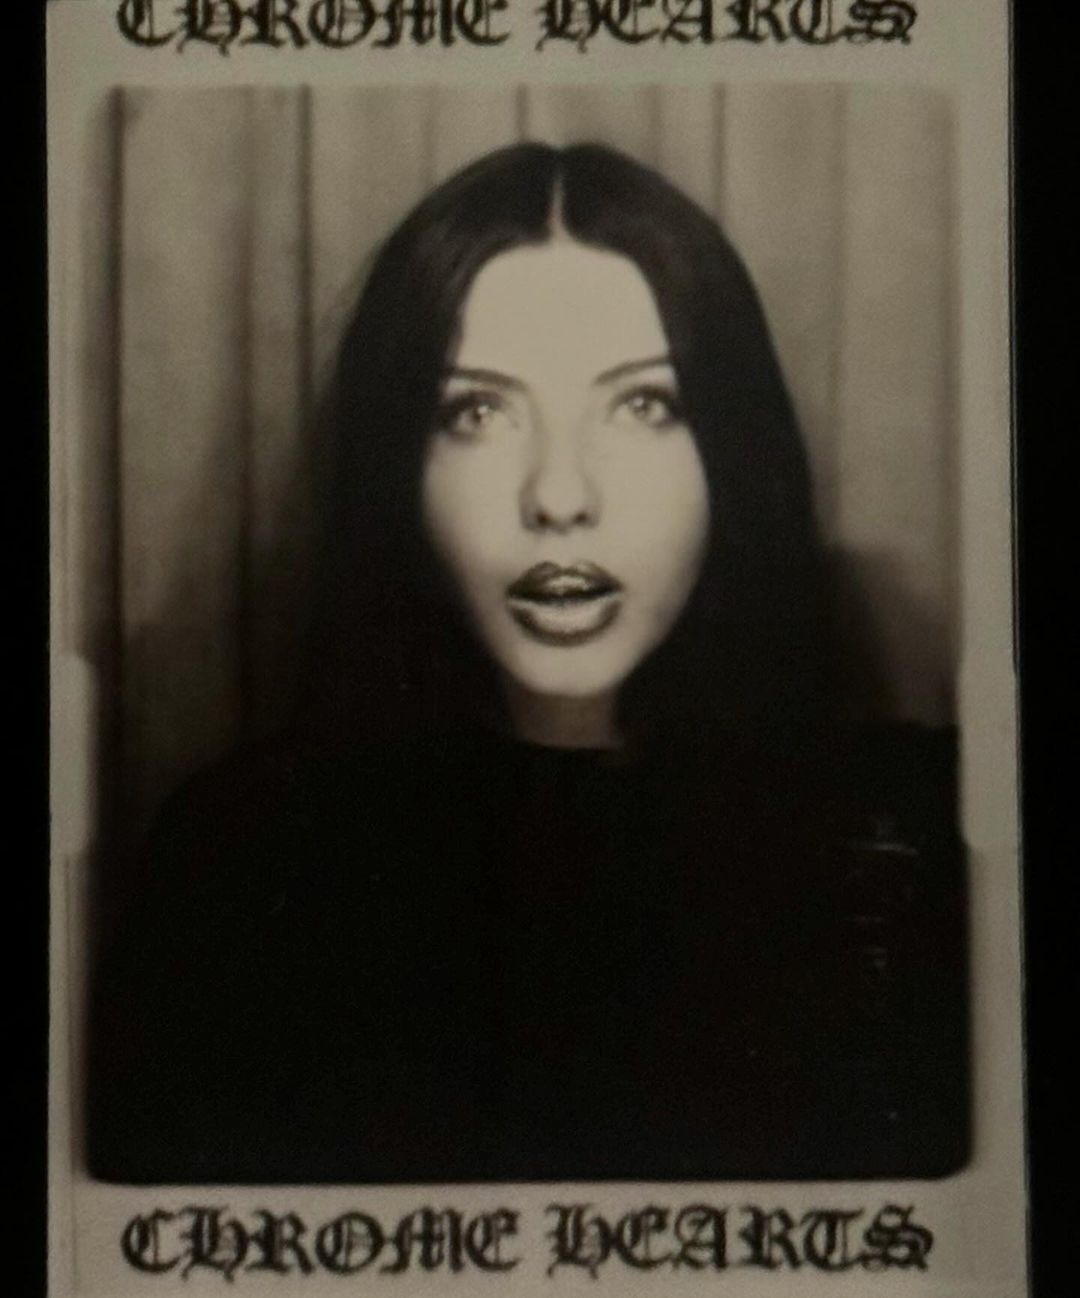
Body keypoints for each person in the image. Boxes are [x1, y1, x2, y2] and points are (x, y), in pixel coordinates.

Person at [87, 143, 968, 1184]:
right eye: (477, 412)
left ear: (734, 451)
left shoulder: (917, 837)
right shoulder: (238, 863)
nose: (558, 495)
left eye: (643, 405)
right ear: (397, 465)